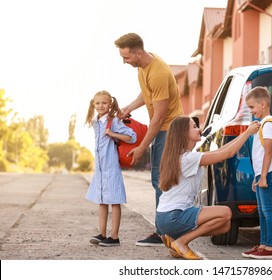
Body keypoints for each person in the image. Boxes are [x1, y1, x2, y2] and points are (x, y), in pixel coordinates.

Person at [156, 116, 261, 260]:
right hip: (173, 216)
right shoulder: (188, 158)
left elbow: (223, 150)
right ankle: (181, 242)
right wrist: (248, 133)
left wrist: (243, 133)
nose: (199, 129)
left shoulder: (184, 156)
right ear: (183, 133)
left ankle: (174, 240)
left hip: (166, 217)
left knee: (225, 226)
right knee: (226, 212)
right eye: (194, 127)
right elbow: (228, 154)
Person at [114, 32, 184, 246]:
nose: (124, 62)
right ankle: (164, 230)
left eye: (126, 57)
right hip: (163, 128)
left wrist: (143, 147)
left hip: (170, 130)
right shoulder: (144, 67)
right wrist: (128, 107)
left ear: (138, 52)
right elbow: (147, 95)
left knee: (162, 181)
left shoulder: (159, 73)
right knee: (161, 180)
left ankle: (164, 232)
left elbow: (159, 117)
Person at [85, 90, 137, 247]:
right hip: (100, 170)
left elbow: (132, 136)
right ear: (93, 105)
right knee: (101, 201)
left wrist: (112, 133)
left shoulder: (113, 122)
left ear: (110, 104)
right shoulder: (95, 122)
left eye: (104, 103)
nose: (101, 105)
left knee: (114, 202)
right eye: (98, 103)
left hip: (111, 168)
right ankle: (102, 234)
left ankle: (114, 237)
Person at [242, 86, 272, 259]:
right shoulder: (263, 125)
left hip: (268, 173)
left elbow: (268, 152)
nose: (251, 111)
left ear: (263, 104)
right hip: (261, 174)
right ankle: (263, 245)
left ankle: (270, 247)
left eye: (252, 107)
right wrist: (257, 176)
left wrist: (263, 176)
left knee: (268, 210)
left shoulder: (269, 125)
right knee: (262, 211)